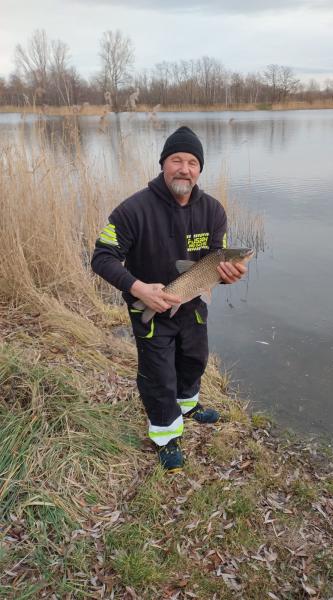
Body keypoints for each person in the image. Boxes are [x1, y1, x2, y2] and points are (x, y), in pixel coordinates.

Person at [91, 126, 246, 473]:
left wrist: (227, 275)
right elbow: (101, 257)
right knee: (158, 374)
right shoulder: (132, 210)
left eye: (193, 162)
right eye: (177, 160)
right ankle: (165, 436)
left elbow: (212, 264)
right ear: (163, 163)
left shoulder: (213, 211)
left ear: (199, 170)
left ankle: (188, 405)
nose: (184, 169)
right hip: (148, 305)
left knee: (194, 360)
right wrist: (139, 288)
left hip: (191, 305)